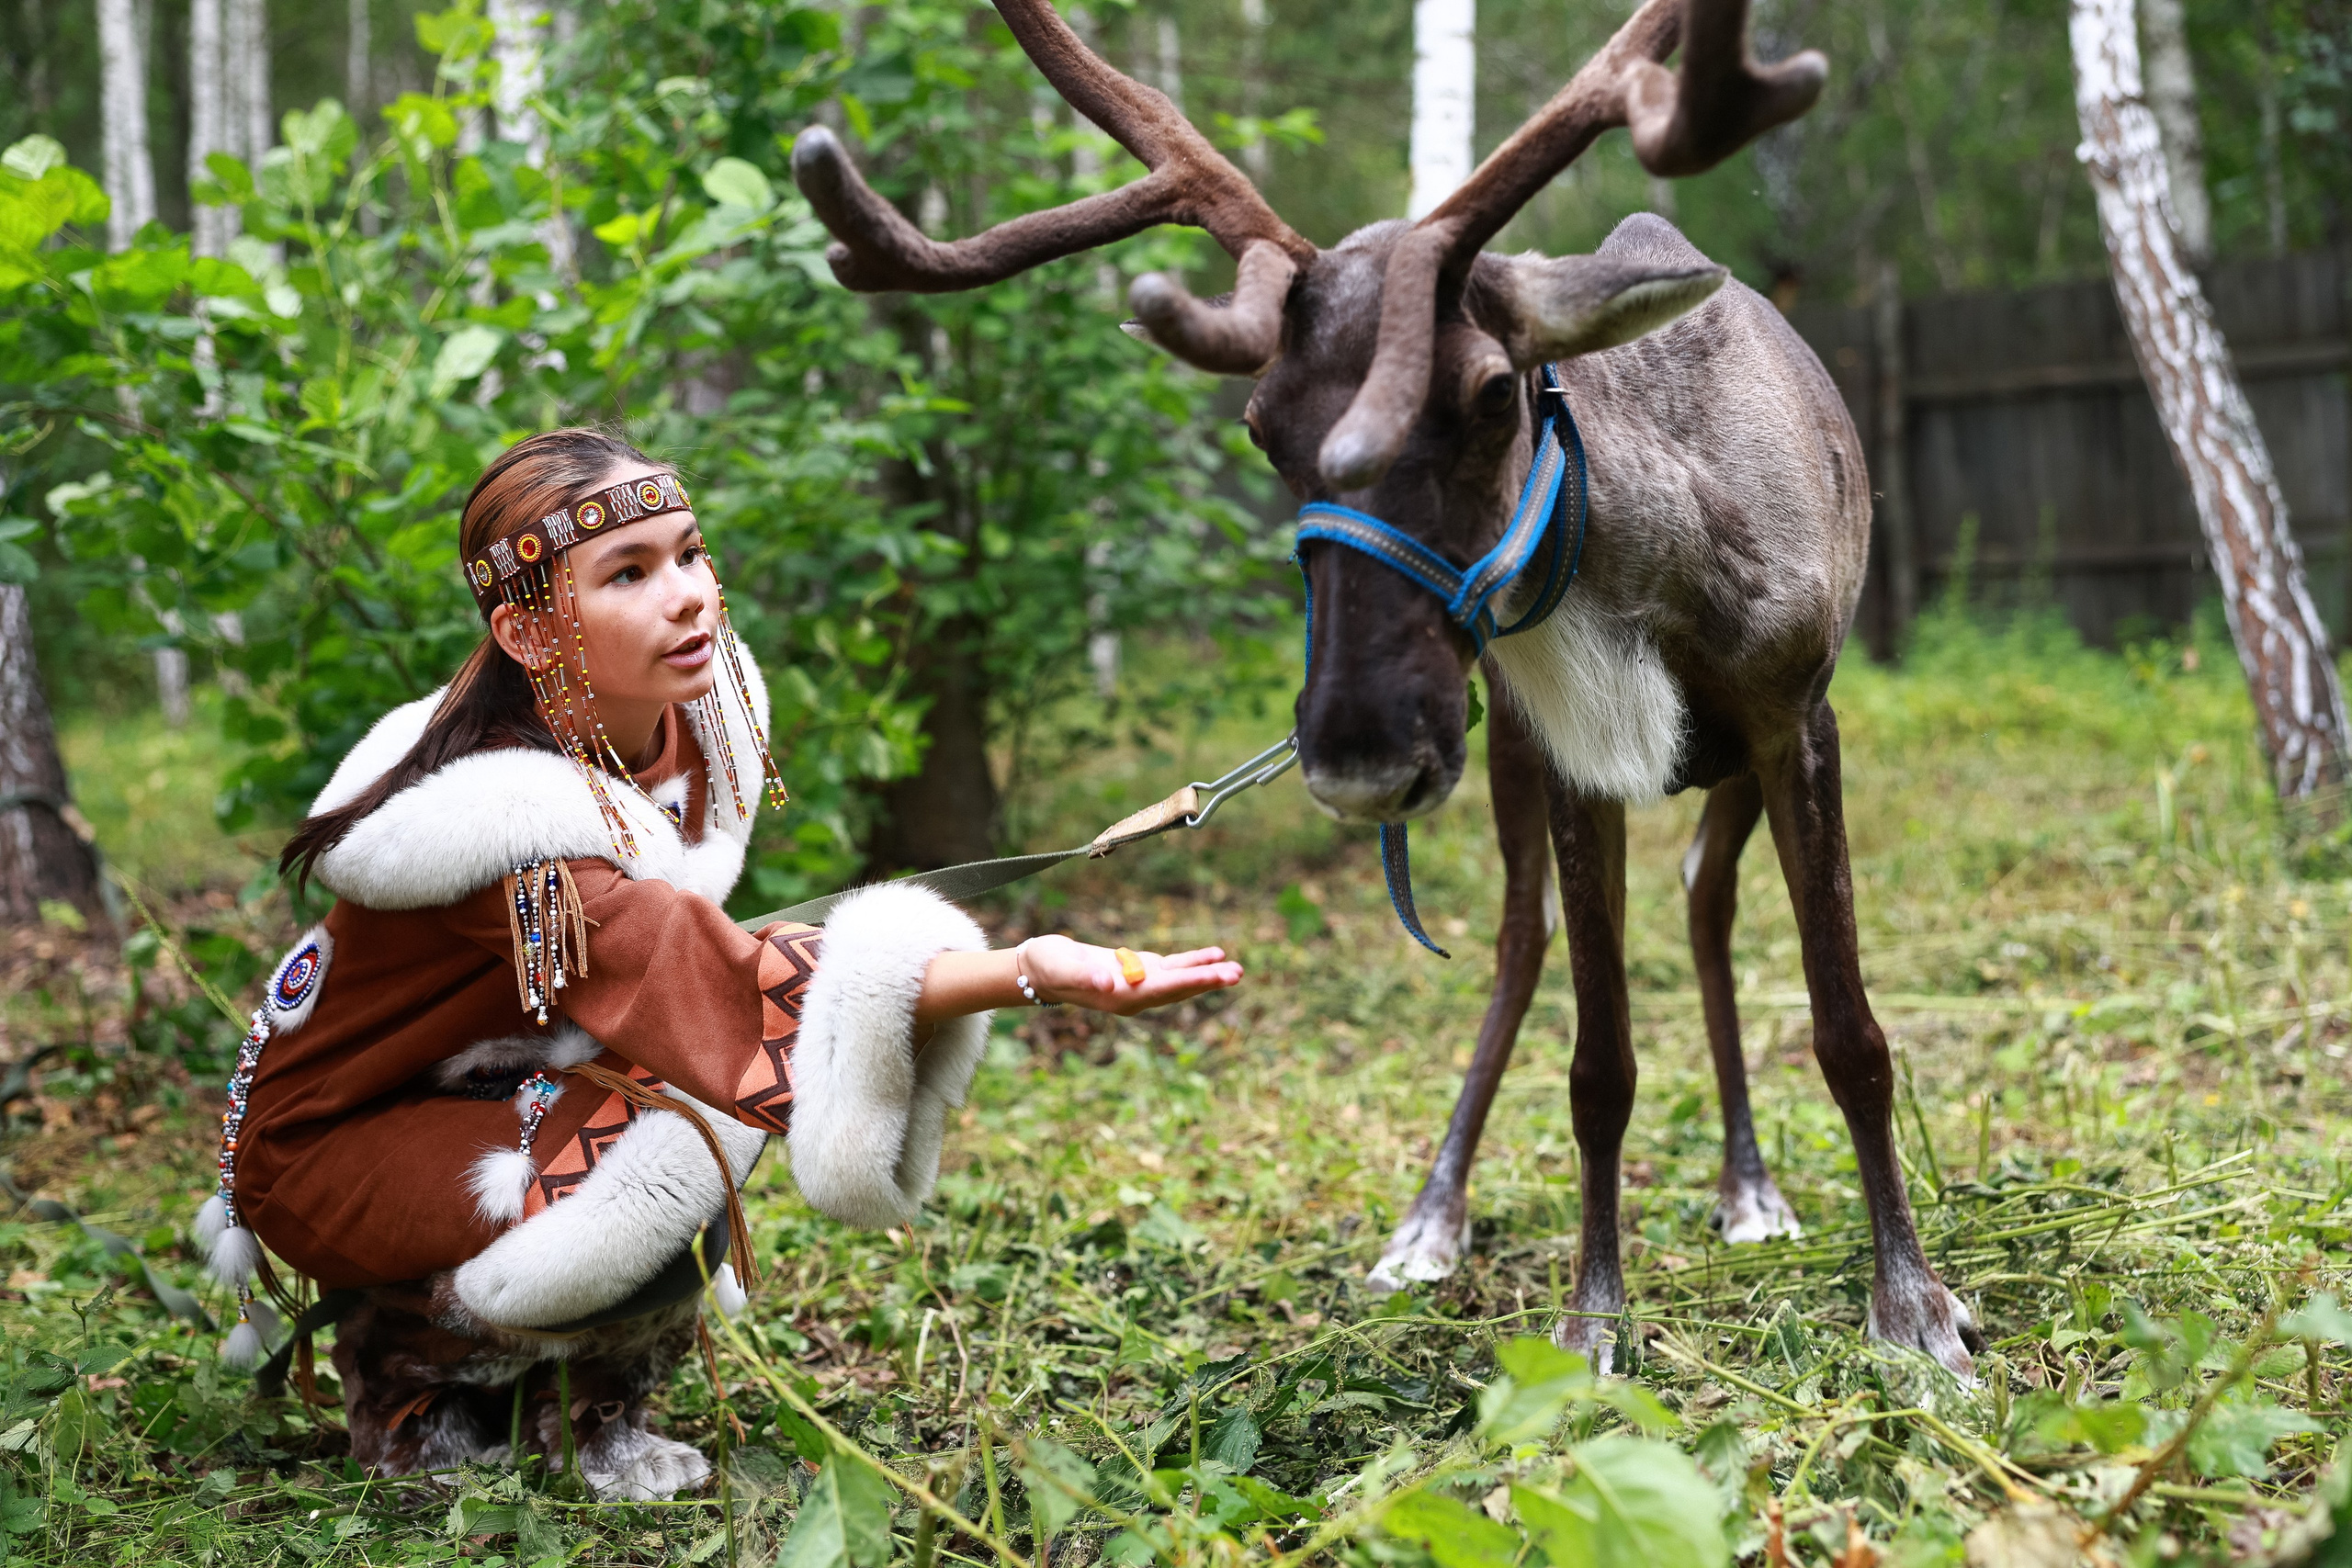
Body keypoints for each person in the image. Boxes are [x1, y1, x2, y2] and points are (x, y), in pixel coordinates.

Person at [201, 428, 1244, 1497]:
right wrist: (1029, 970)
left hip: (490, 1080)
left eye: (690, 554)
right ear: (528, 630)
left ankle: (584, 1403)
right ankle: (413, 1388)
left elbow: (686, 979)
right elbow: (709, 987)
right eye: (629, 573)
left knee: (690, 1098)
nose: (688, 596)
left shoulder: (696, 725)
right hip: (333, 1140)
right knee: (681, 1123)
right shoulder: (499, 823)